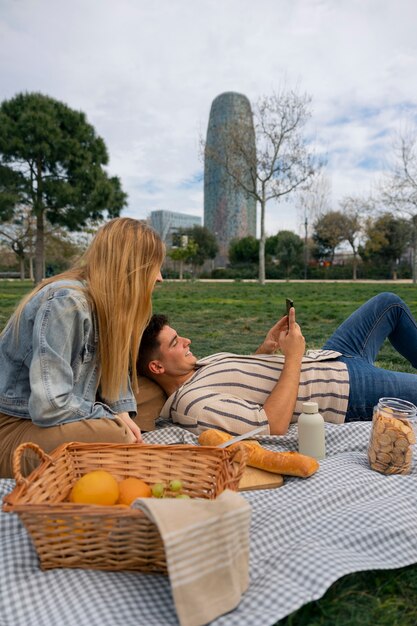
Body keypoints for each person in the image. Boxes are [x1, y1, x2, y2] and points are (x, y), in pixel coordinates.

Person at [0, 217, 164, 477]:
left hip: (53, 417)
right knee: (116, 435)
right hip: (16, 428)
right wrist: (111, 418)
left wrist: (121, 413)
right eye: (154, 268)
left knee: (152, 394)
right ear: (131, 268)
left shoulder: (108, 308)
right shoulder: (68, 303)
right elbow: (49, 406)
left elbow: (117, 383)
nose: (159, 278)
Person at [137, 292, 417, 436]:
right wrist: (293, 356)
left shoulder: (197, 368)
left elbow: (246, 385)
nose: (186, 340)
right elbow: (270, 425)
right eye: (175, 342)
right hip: (346, 390)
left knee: (388, 305)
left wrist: (266, 348)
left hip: (331, 356)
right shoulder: (191, 405)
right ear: (157, 368)